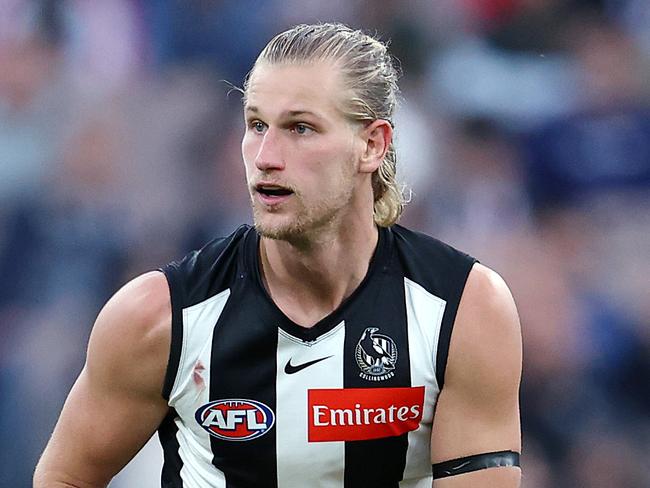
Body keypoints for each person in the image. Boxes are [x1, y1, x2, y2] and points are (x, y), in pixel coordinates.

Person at [34, 23, 522, 487]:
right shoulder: (159, 318)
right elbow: (65, 477)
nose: (266, 155)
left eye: (300, 128)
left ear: (372, 145)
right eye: (256, 125)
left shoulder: (463, 310)